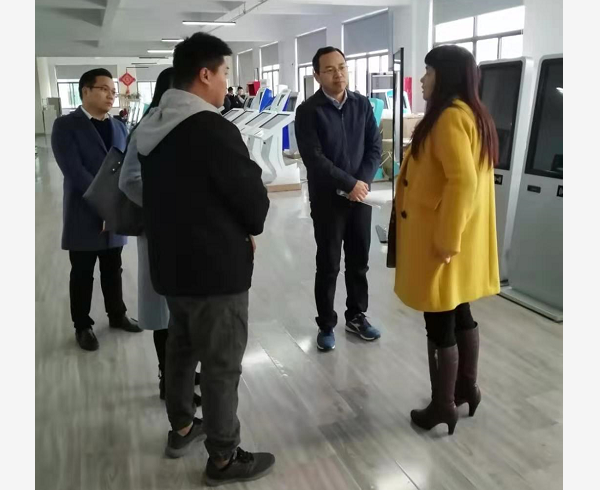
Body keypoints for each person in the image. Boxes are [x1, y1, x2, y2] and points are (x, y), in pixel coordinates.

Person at [136, 32, 274, 485]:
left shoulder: (152, 126)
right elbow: (253, 205)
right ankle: (223, 458)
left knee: (180, 349)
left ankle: (181, 427)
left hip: (171, 265)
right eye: (225, 73)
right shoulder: (212, 129)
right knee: (220, 364)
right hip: (215, 271)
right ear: (205, 74)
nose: (226, 83)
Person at [393, 45, 500, 435]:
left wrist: (446, 240)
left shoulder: (449, 118)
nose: (422, 79)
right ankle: (466, 389)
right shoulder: (472, 114)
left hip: (439, 241)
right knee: (459, 311)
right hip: (458, 241)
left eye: (428, 71)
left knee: (438, 320)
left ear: (446, 75)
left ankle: (442, 406)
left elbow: (463, 181)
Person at [119, 67, 202, 407]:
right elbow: (129, 180)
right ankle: (169, 380)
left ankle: (184, 372)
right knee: (165, 314)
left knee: (189, 312)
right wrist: (168, 207)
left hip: (194, 234)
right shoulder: (148, 128)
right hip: (162, 232)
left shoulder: (193, 126)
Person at [295, 47, 382, 352]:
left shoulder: (362, 104)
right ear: (317, 75)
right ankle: (326, 324)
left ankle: (356, 316)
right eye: (330, 70)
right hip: (328, 200)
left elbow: (374, 147)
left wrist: (362, 183)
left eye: (342, 67)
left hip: (359, 199)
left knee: (359, 261)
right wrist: (348, 183)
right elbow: (314, 158)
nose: (338, 74)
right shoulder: (308, 111)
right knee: (329, 264)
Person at [51, 68, 141, 352]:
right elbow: (73, 170)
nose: (111, 95)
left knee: (113, 267)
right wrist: (104, 204)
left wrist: (117, 206)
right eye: (104, 89)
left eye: (113, 90)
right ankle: (82, 325)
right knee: (82, 271)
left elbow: (126, 167)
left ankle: (117, 314)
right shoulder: (66, 125)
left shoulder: (119, 127)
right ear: (85, 91)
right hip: (84, 210)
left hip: (114, 210)